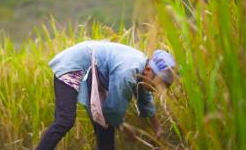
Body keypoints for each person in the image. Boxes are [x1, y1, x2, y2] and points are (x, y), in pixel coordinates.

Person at [35, 41, 176, 150]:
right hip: (72, 65)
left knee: (105, 124)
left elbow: (144, 99)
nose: (157, 89)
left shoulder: (142, 71)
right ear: (148, 70)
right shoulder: (127, 72)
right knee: (65, 120)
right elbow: (113, 109)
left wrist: (157, 127)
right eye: (157, 84)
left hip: (93, 73)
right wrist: (124, 128)